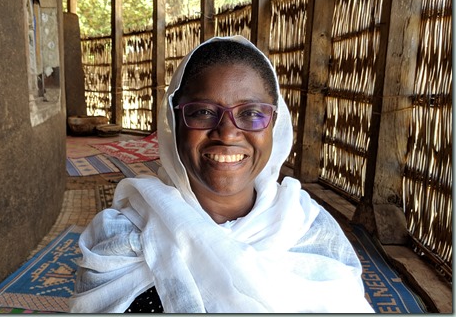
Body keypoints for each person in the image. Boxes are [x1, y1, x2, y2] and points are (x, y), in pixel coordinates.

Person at [69, 35, 374, 313]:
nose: (227, 134)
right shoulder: (122, 240)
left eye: (251, 113)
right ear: (173, 121)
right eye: (203, 111)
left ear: (274, 125)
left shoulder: (308, 231)